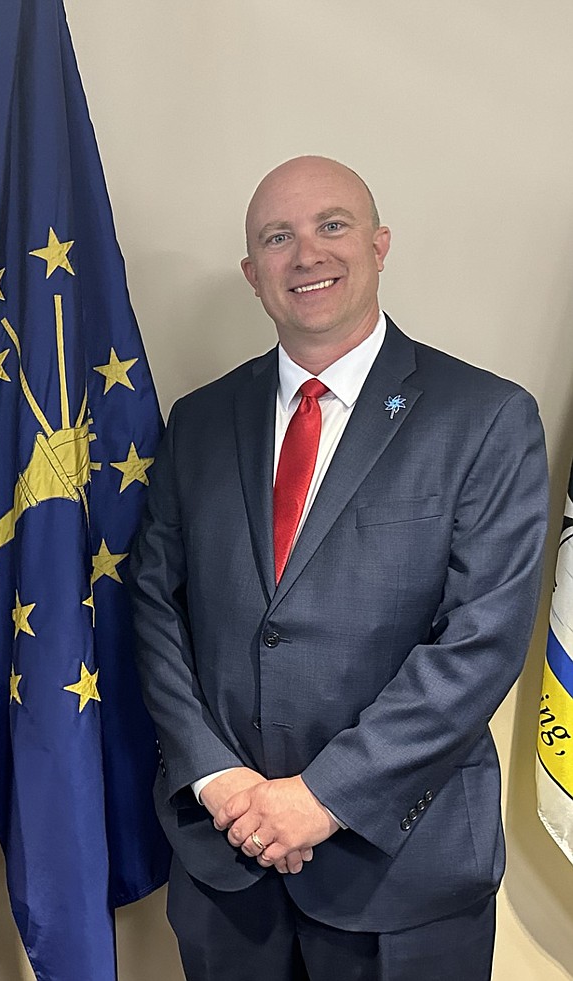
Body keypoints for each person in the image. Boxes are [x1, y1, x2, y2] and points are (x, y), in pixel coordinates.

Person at [130, 156, 549, 980]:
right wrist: (216, 779)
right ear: (253, 273)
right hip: (227, 863)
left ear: (380, 243)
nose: (306, 255)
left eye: (332, 226)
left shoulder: (486, 417)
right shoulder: (200, 419)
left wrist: (322, 796)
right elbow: (154, 606)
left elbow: (482, 642)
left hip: (403, 869)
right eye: (277, 238)